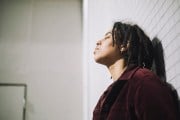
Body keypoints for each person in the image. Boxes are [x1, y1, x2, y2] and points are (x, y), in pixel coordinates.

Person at [93, 22, 179, 120]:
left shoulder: (143, 81)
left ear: (125, 44)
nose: (98, 42)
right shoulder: (105, 97)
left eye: (107, 37)